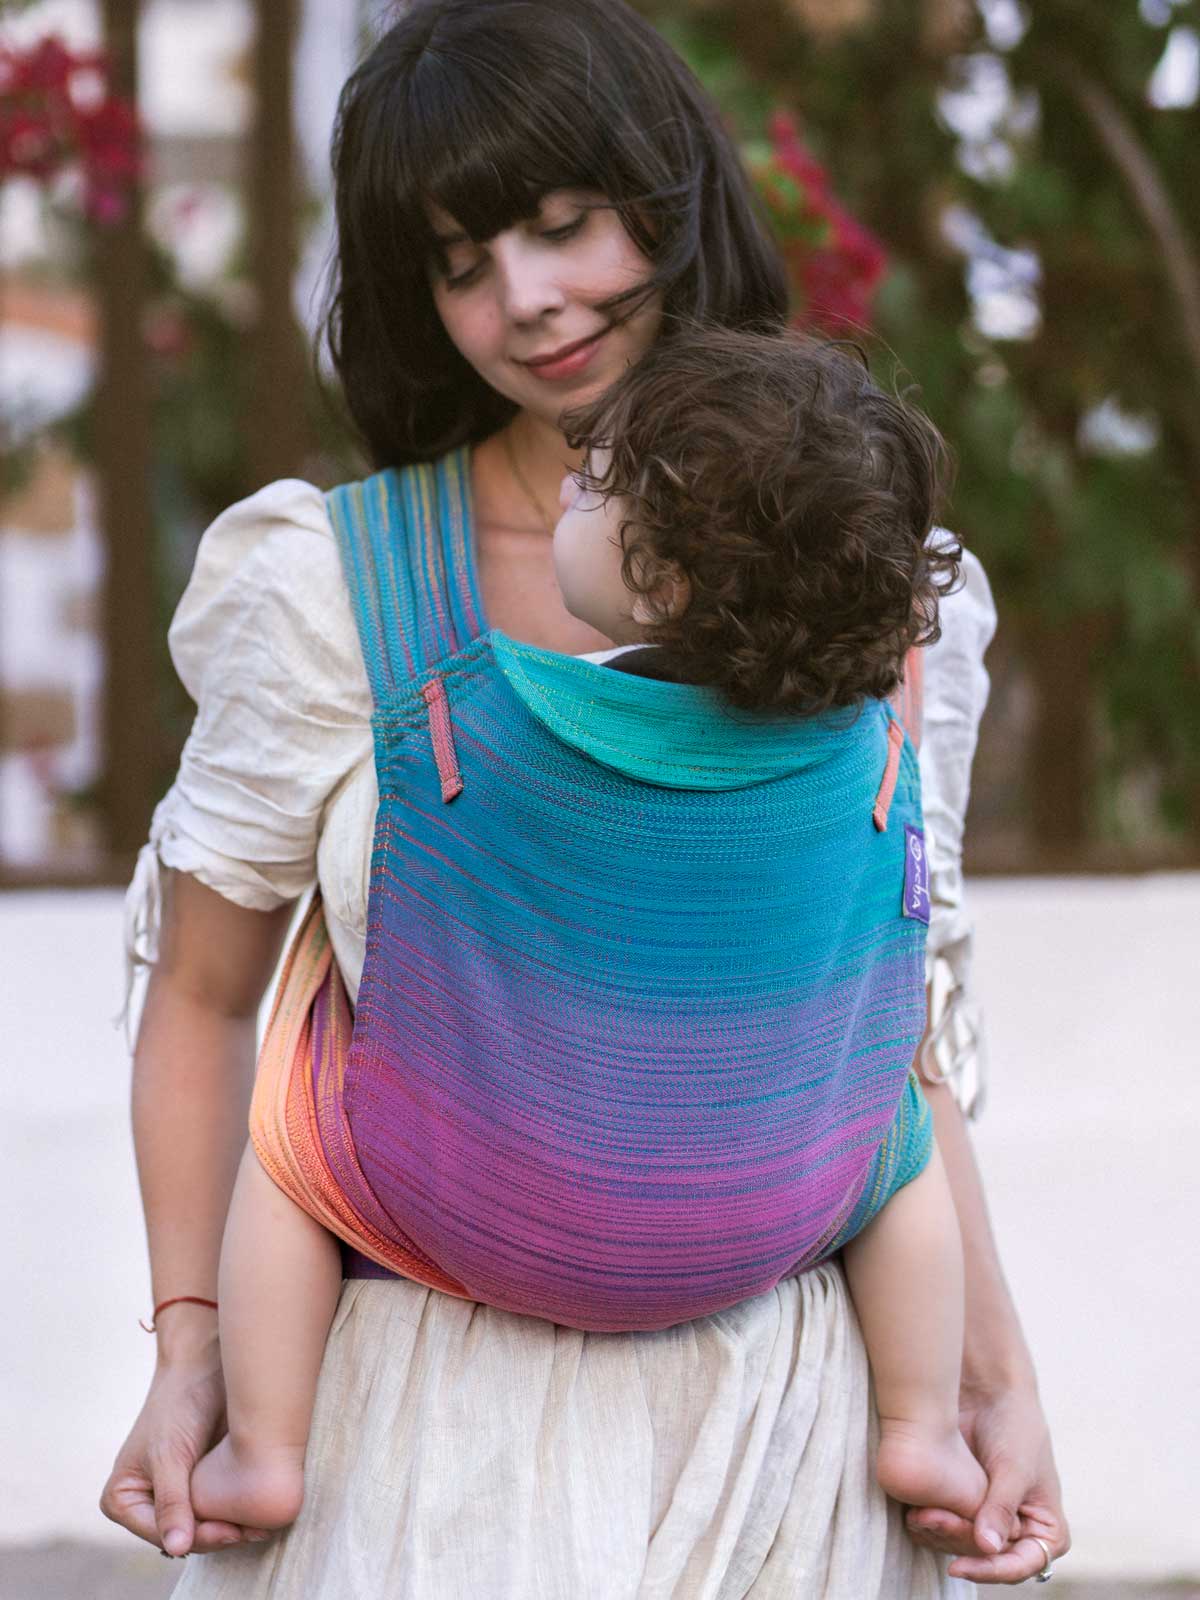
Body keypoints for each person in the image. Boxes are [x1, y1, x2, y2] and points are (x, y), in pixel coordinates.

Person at [104, 1, 1070, 1593]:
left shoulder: (876, 588)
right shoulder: (334, 589)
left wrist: (993, 1384)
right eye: (461, 262)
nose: (525, 303)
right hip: (422, 1443)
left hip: (786, 1436)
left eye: (564, 226)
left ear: (672, 194)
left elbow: (887, 1026)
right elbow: (207, 999)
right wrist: (194, 1354)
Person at [185, 327, 986, 1539]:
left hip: (462, 1211)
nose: (568, 481)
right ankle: (922, 1425)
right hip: (768, 1214)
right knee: (903, 1148)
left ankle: (265, 1447)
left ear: (661, 582)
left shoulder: (465, 711)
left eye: (599, 486)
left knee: (295, 1119)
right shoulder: (867, 757)